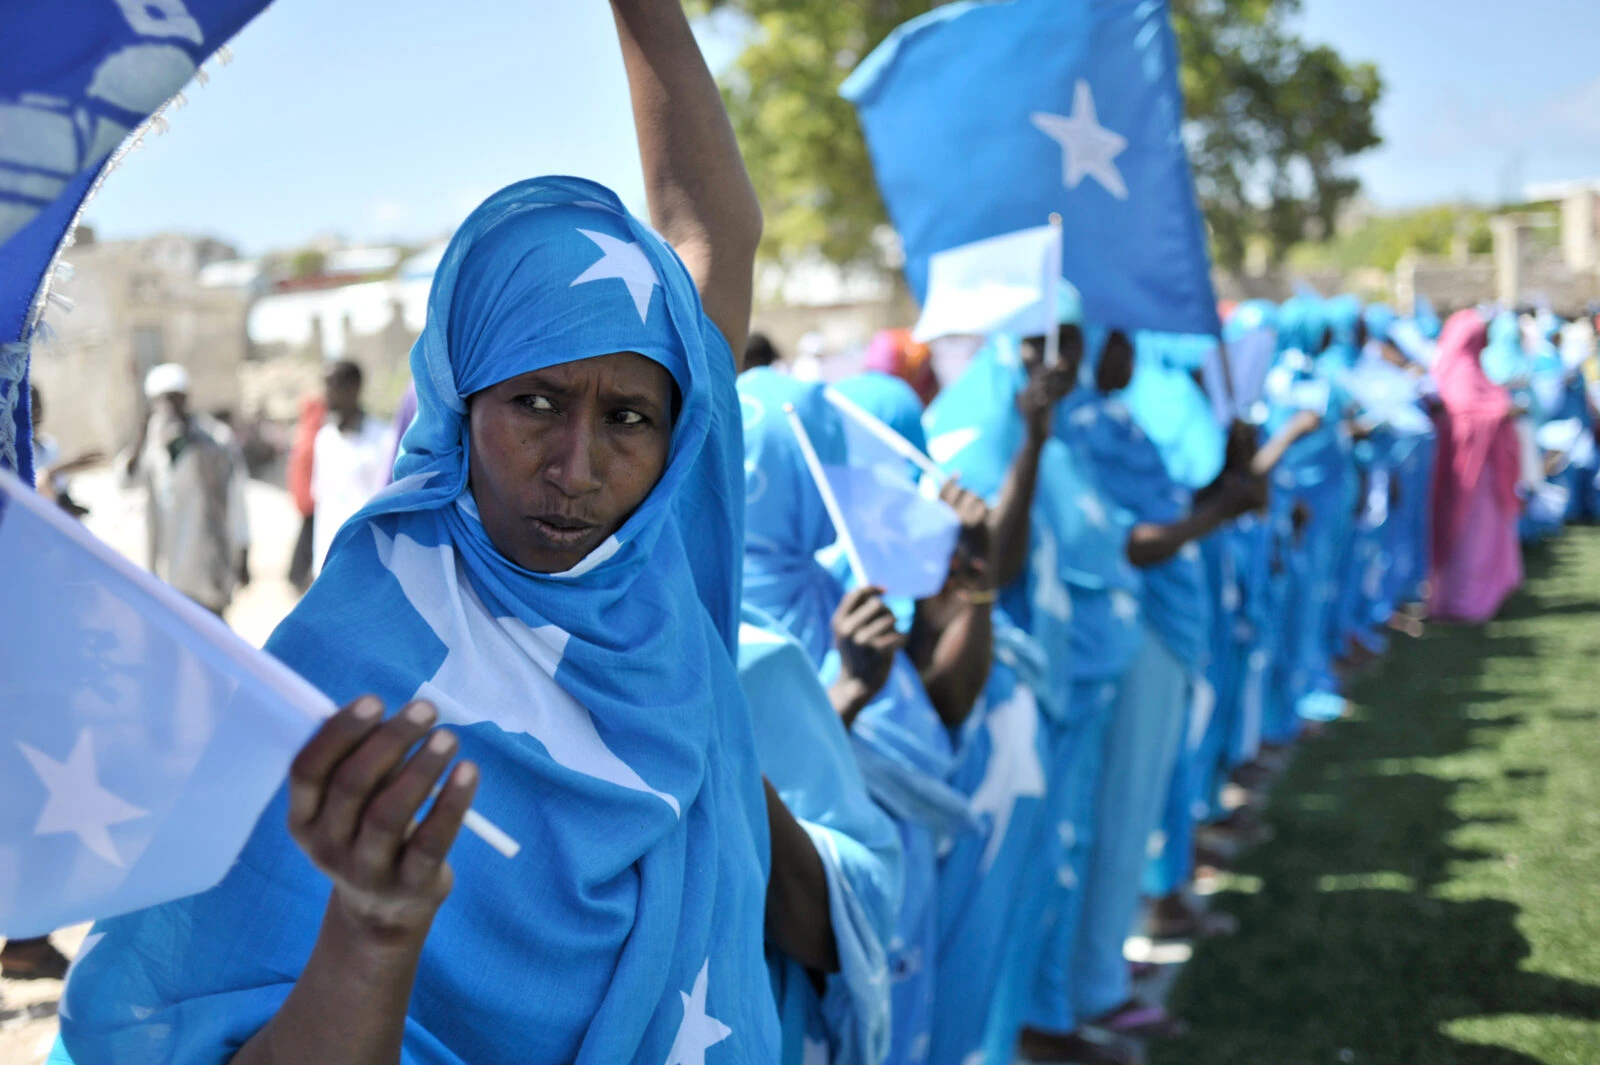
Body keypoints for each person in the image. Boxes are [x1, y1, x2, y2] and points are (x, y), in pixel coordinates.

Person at [57, 2, 783, 1062]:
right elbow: (207, 1022)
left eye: (627, 418)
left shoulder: (664, 554)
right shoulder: (346, 661)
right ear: (455, 402)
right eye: (532, 402)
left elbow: (710, 227)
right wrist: (372, 929)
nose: (578, 468)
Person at [119, 362, 251, 617]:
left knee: (212, 642)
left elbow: (237, 499)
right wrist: (140, 435)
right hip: (168, 567)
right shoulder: (150, 443)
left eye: (175, 399)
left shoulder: (215, 440)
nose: (169, 408)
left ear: (187, 399)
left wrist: (243, 552)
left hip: (206, 562)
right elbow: (126, 481)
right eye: (162, 401)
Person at [1428, 310, 1524, 624]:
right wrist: (1500, 412)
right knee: (1466, 536)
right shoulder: (1457, 372)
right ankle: (1463, 601)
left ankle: (1485, 595)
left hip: (1484, 473)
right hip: (1467, 475)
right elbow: (1463, 417)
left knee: (1483, 535)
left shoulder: (1472, 370)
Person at [310, 360, 393, 576]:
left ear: (354, 387)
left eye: (333, 385)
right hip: (329, 559)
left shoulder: (384, 437)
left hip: (368, 559)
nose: (327, 394)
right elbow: (322, 502)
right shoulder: (325, 439)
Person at [285, 393, 325, 593]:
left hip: (307, 496)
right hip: (311, 498)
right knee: (309, 540)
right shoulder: (314, 435)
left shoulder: (304, 433)